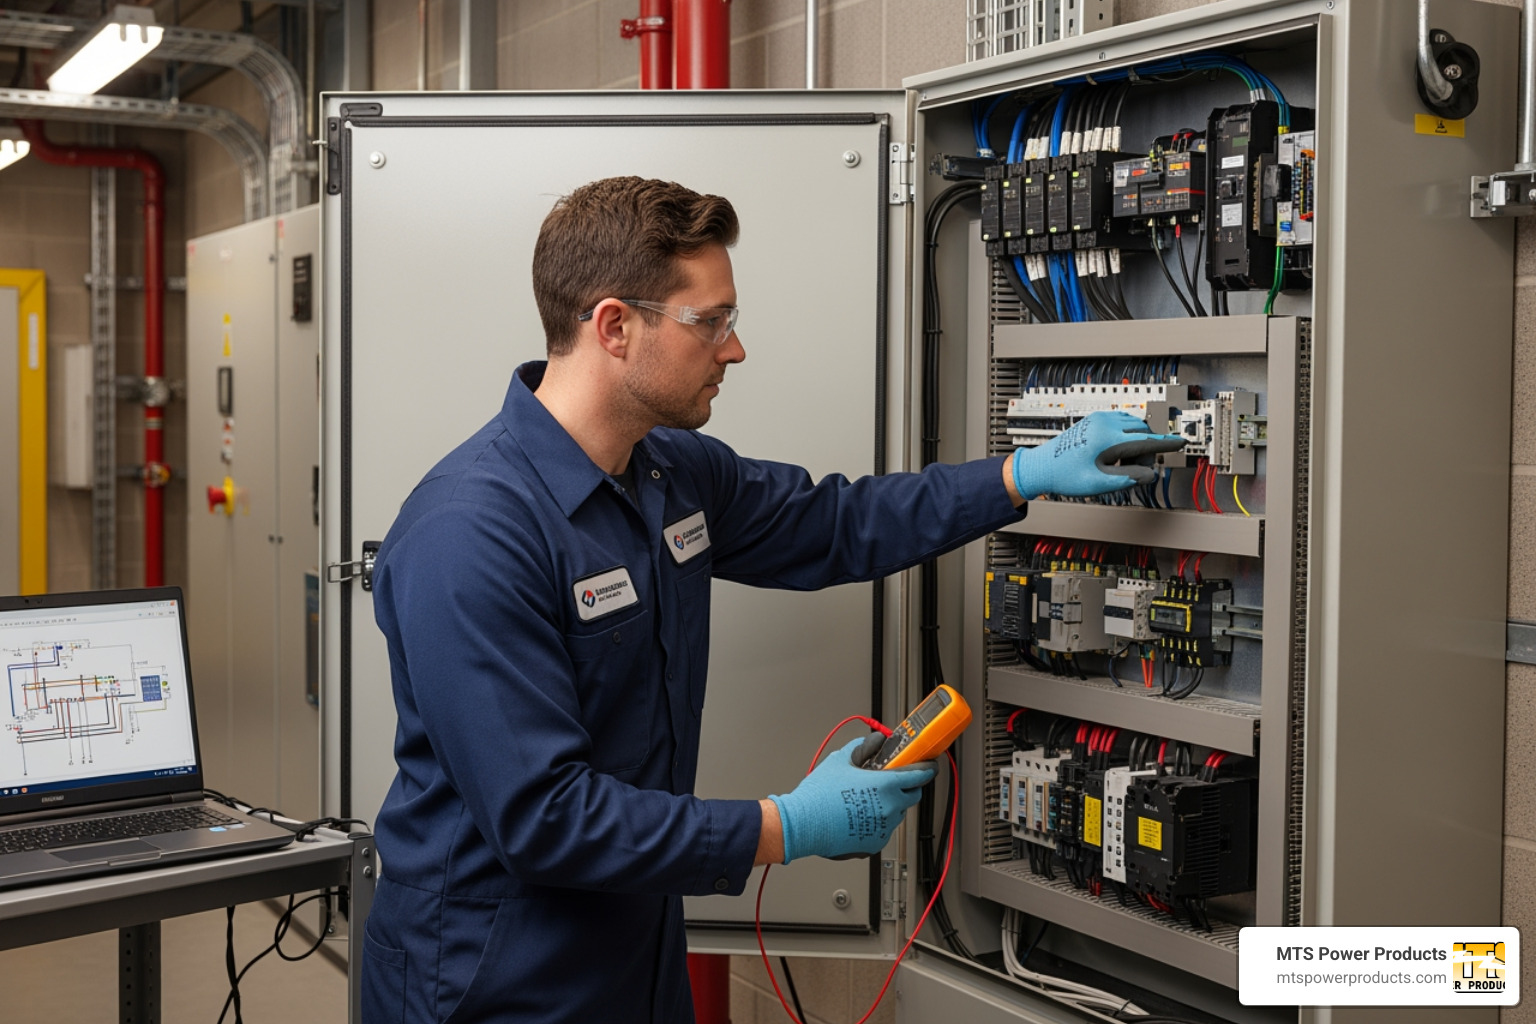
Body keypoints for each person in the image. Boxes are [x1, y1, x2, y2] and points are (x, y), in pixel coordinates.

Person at [360, 176, 1182, 1024]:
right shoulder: (471, 535)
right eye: (708, 321)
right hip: (486, 976)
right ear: (613, 326)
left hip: (630, 949)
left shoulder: (670, 469)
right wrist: (783, 827)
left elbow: (833, 523)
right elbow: (544, 818)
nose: (734, 347)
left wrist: (1020, 475)